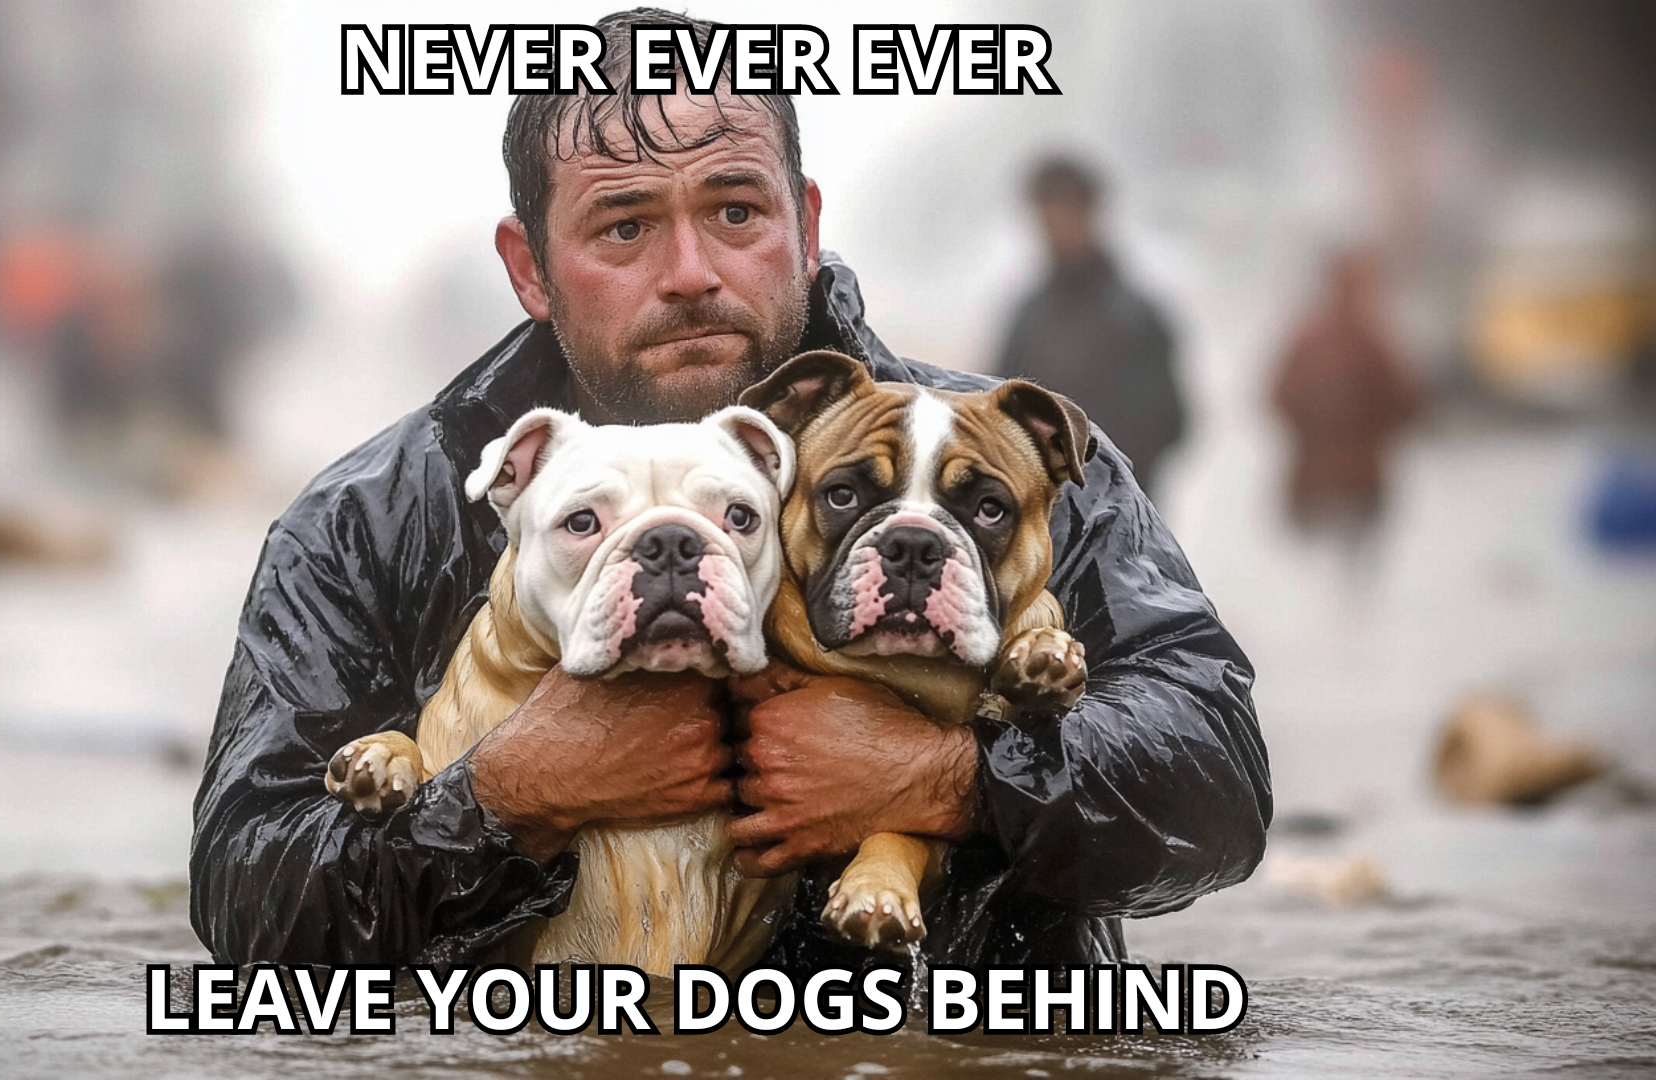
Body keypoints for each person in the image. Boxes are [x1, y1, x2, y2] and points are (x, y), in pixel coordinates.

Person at [190, 9, 1269, 972]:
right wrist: (502, 802)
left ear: (803, 222)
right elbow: (248, 900)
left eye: (738, 212)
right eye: (624, 227)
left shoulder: (998, 471)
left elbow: (1218, 787)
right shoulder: (375, 523)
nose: (694, 271)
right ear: (529, 268)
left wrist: (954, 781)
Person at [991, 156, 1187, 500]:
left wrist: (1106, 474)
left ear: (1090, 213)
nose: (1053, 226)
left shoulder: (1136, 316)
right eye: (1044, 214)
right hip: (1041, 514)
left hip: (1120, 516)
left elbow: (1172, 421)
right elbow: (995, 406)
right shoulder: (1028, 315)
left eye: (1063, 211)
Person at [1271, 249, 1423, 562]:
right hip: (1359, 483)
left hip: (1314, 482)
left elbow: (1277, 396)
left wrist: (1309, 433)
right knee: (1346, 579)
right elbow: (1408, 403)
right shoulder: (1376, 343)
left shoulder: (1307, 339)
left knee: (1312, 579)